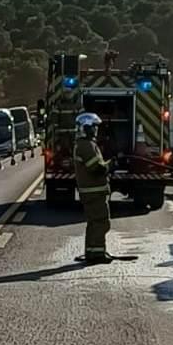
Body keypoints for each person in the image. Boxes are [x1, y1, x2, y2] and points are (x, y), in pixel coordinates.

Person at [74, 112, 113, 264]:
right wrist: (111, 164)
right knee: (101, 222)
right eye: (94, 127)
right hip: (94, 192)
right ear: (86, 128)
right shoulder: (86, 146)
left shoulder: (85, 144)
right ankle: (97, 255)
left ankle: (92, 252)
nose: (96, 130)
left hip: (92, 192)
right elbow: (96, 168)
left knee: (94, 223)